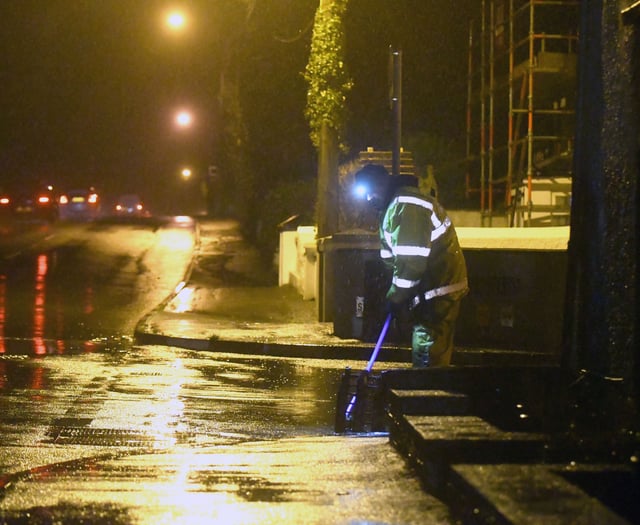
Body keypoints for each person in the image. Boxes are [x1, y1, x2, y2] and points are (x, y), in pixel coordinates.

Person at [354, 163, 468, 367]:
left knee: (427, 350)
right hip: (433, 290)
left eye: (370, 193)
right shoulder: (398, 204)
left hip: (436, 293)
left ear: (381, 184)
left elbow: (411, 262)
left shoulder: (405, 206)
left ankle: (426, 393)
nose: (369, 200)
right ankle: (428, 390)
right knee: (429, 349)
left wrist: (395, 297)